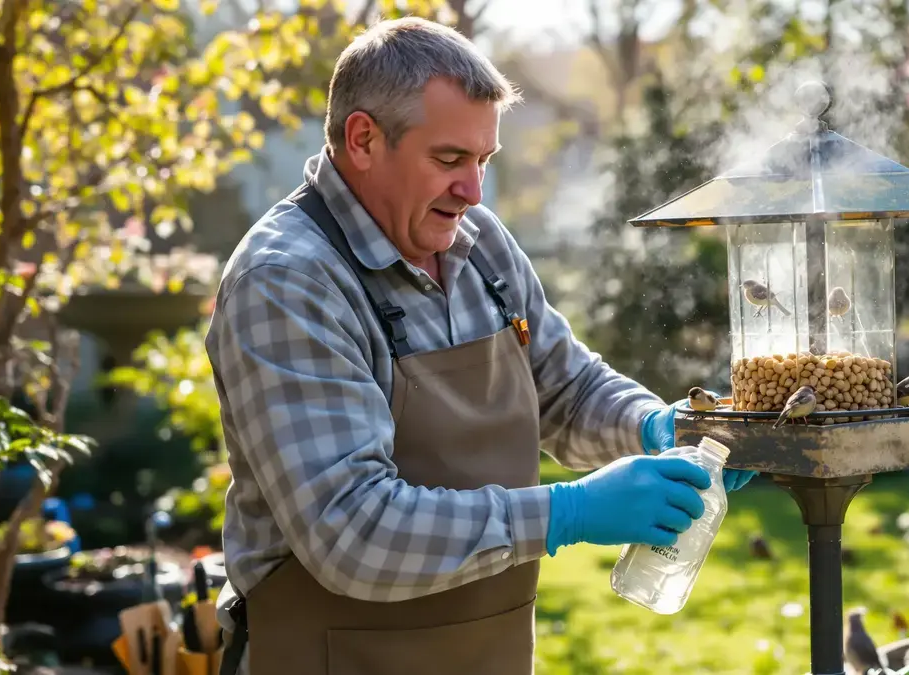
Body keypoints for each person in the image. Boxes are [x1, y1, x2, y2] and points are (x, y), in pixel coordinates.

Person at [206, 16, 757, 675]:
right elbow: (352, 530)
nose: (472, 190)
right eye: (449, 159)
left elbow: (566, 385)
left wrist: (660, 427)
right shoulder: (288, 282)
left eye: (483, 160)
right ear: (362, 140)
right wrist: (570, 510)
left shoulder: (477, 241)